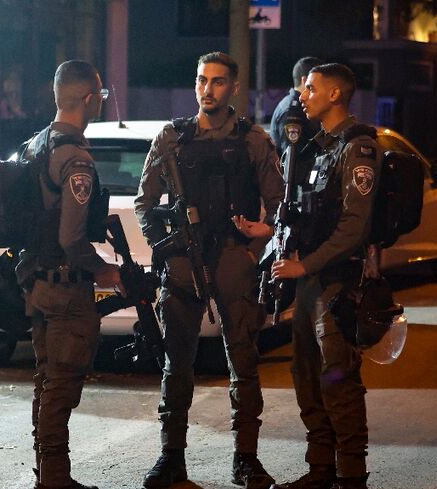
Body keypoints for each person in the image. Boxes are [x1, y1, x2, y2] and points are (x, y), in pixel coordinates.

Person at [134, 51, 284, 489]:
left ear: (233, 87)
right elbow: (145, 202)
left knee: (244, 362)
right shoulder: (171, 138)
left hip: (234, 260)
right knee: (176, 363)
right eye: (202, 80)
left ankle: (246, 458)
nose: (208, 89)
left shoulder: (253, 140)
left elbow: (279, 208)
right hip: (184, 261)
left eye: (218, 81)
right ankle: (171, 458)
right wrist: (165, 246)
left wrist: (255, 249)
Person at [270, 63, 382, 489]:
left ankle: (351, 474)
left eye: (311, 89)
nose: (302, 96)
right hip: (311, 282)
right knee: (307, 373)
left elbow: (354, 227)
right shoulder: (316, 147)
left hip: (338, 283)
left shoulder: (359, 148)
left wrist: (306, 265)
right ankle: (320, 468)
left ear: (335, 94)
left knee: (338, 378)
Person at [14, 59, 122, 489]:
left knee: (46, 380)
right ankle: (55, 480)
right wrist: (105, 271)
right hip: (65, 290)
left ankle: (48, 474)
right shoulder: (75, 158)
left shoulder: (35, 145)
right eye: (102, 95)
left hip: (36, 284)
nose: (102, 101)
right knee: (60, 387)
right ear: (89, 98)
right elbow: (72, 238)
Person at [270, 57, 324, 157]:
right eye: (322, 82)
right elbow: (292, 159)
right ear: (305, 80)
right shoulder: (293, 112)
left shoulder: (298, 107)